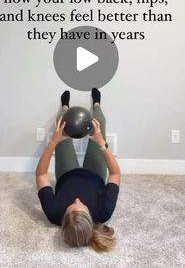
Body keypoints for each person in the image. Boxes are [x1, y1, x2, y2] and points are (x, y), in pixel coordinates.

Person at [36, 88, 121, 252]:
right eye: (82, 206)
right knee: (99, 122)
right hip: (95, 174)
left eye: (71, 207)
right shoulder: (104, 211)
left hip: (67, 174)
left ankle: (65, 107)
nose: (77, 200)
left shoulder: (53, 212)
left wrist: (53, 142)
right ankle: (96, 104)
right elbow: (115, 173)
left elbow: (41, 174)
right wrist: (101, 143)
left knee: (61, 122)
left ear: (63, 219)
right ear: (90, 219)